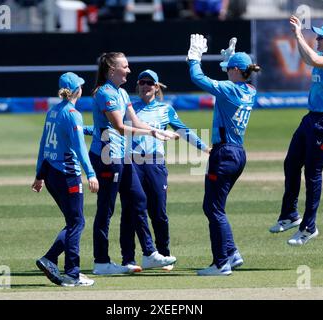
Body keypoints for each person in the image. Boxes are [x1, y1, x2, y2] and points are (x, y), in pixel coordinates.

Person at [89, 52, 178, 275]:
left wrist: (155, 131)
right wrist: (151, 132)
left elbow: (135, 120)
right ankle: (101, 262)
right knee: (106, 210)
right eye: (125, 66)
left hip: (121, 156)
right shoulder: (105, 93)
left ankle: (149, 254)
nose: (129, 70)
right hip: (107, 156)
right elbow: (120, 126)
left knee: (139, 199)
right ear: (112, 69)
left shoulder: (120, 92)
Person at [269, 17, 323, 245]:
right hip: (311, 119)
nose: (316, 39)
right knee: (291, 163)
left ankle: (309, 227)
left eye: (321, 37)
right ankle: (289, 215)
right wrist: (298, 38)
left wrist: (298, 35)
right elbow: (309, 59)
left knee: (312, 174)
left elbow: (312, 58)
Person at [187, 34, 260, 276]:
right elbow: (238, 77)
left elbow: (198, 78)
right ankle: (231, 253)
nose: (226, 71)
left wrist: (194, 57)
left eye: (229, 69)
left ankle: (221, 263)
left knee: (212, 208)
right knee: (217, 207)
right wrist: (231, 62)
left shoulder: (229, 89)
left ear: (237, 70)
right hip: (238, 152)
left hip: (224, 152)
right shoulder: (250, 89)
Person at [124, 69, 211, 270]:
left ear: (156, 87)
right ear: (138, 85)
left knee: (159, 212)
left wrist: (205, 148)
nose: (146, 86)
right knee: (132, 211)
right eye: (142, 82)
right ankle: (128, 258)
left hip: (155, 164)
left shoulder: (165, 109)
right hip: (132, 164)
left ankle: (163, 253)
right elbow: (112, 126)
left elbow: (183, 130)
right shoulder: (128, 107)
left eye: (150, 83)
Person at [32, 72, 99, 287]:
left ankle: (52, 260)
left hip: (51, 173)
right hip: (67, 174)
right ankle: (71, 273)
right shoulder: (72, 113)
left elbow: (44, 144)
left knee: (73, 222)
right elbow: (79, 148)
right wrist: (90, 174)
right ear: (77, 90)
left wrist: (39, 175)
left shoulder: (53, 111)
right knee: (77, 222)